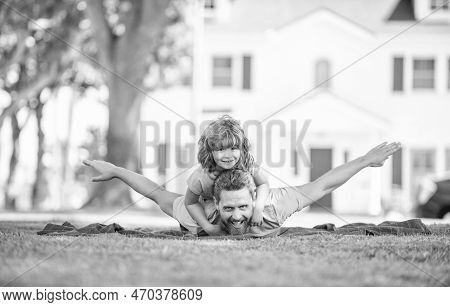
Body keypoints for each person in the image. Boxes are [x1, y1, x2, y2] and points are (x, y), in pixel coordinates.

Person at [83, 141, 401, 236]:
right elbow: (155, 192)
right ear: (215, 204)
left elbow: (324, 183)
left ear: (255, 200)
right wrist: (115, 171)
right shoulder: (196, 215)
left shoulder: (275, 205)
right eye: (229, 209)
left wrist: (363, 160)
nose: (236, 217)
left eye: (243, 207)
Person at [183, 115, 269, 235]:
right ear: (210, 151)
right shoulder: (201, 176)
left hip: (232, 206)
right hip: (208, 206)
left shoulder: (247, 164)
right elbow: (190, 202)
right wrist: (208, 227)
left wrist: (258, 209)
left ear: (242, 148)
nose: (228, 155)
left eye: (233, 148)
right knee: (164, 199)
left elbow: (263, 184)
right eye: (221, 149)